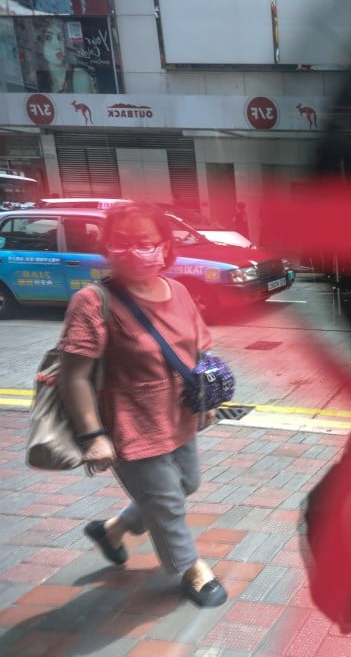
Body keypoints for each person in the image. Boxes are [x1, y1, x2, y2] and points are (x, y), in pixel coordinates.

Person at [58, 202, 227, 608]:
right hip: (129, 425)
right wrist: (93, 436)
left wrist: (208, 400)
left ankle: (112, 530)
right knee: (166, 502)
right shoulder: (92, 301)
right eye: (123, 243)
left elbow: (197, 351)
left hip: (178, 415)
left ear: (165, 247)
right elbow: (74, 376)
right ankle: (191, 569)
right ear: (108, 247)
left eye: (146, 243)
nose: (136, 252)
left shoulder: (180, 291)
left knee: (186, 484)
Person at [36, 19, 97, 94]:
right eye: (48, 38)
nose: (57, 45)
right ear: (41, 43)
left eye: (61, 38)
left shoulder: (80, 78)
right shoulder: (37, 79)